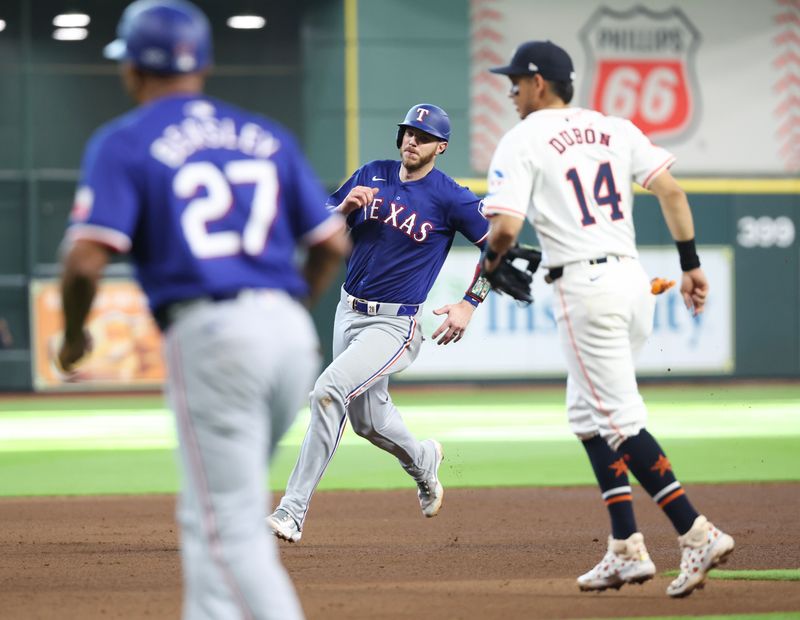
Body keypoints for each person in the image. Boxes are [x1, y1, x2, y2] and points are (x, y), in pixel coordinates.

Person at [57, 1, 349, 618]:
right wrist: (290, 306)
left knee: (225, 528)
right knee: (220, 516)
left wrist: (75, 337)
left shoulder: (125, 140)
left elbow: (85, 260)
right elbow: (331, 243)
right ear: (205, 65)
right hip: (291, 335)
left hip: (215, 335)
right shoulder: (266, 134)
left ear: (132, 69)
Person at [481, 40, 734, 598]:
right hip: (631, 282)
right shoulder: (615, 128)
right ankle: (626, 546)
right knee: (588, 415)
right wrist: (691, 266)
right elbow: (670, 188)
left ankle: (697, 531)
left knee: (618, 421)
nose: (511, 91)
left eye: (517, 81)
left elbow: (503, 227)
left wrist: (490, 263)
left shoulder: (522, 138)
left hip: (584, 290)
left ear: (539, 83)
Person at [267, 103, 490, 542]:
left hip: (395, 324)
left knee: (329, 390)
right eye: (408, 131)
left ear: (440, 147)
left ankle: (291, 511)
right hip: (348, 311)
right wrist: (343, 208)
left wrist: (469, 303)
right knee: (367, 420)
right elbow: (319, 234)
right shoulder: (371, 173)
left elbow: (498, 245)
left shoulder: (450, 196)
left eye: (423, 136)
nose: (412, 140)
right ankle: (423, 459)